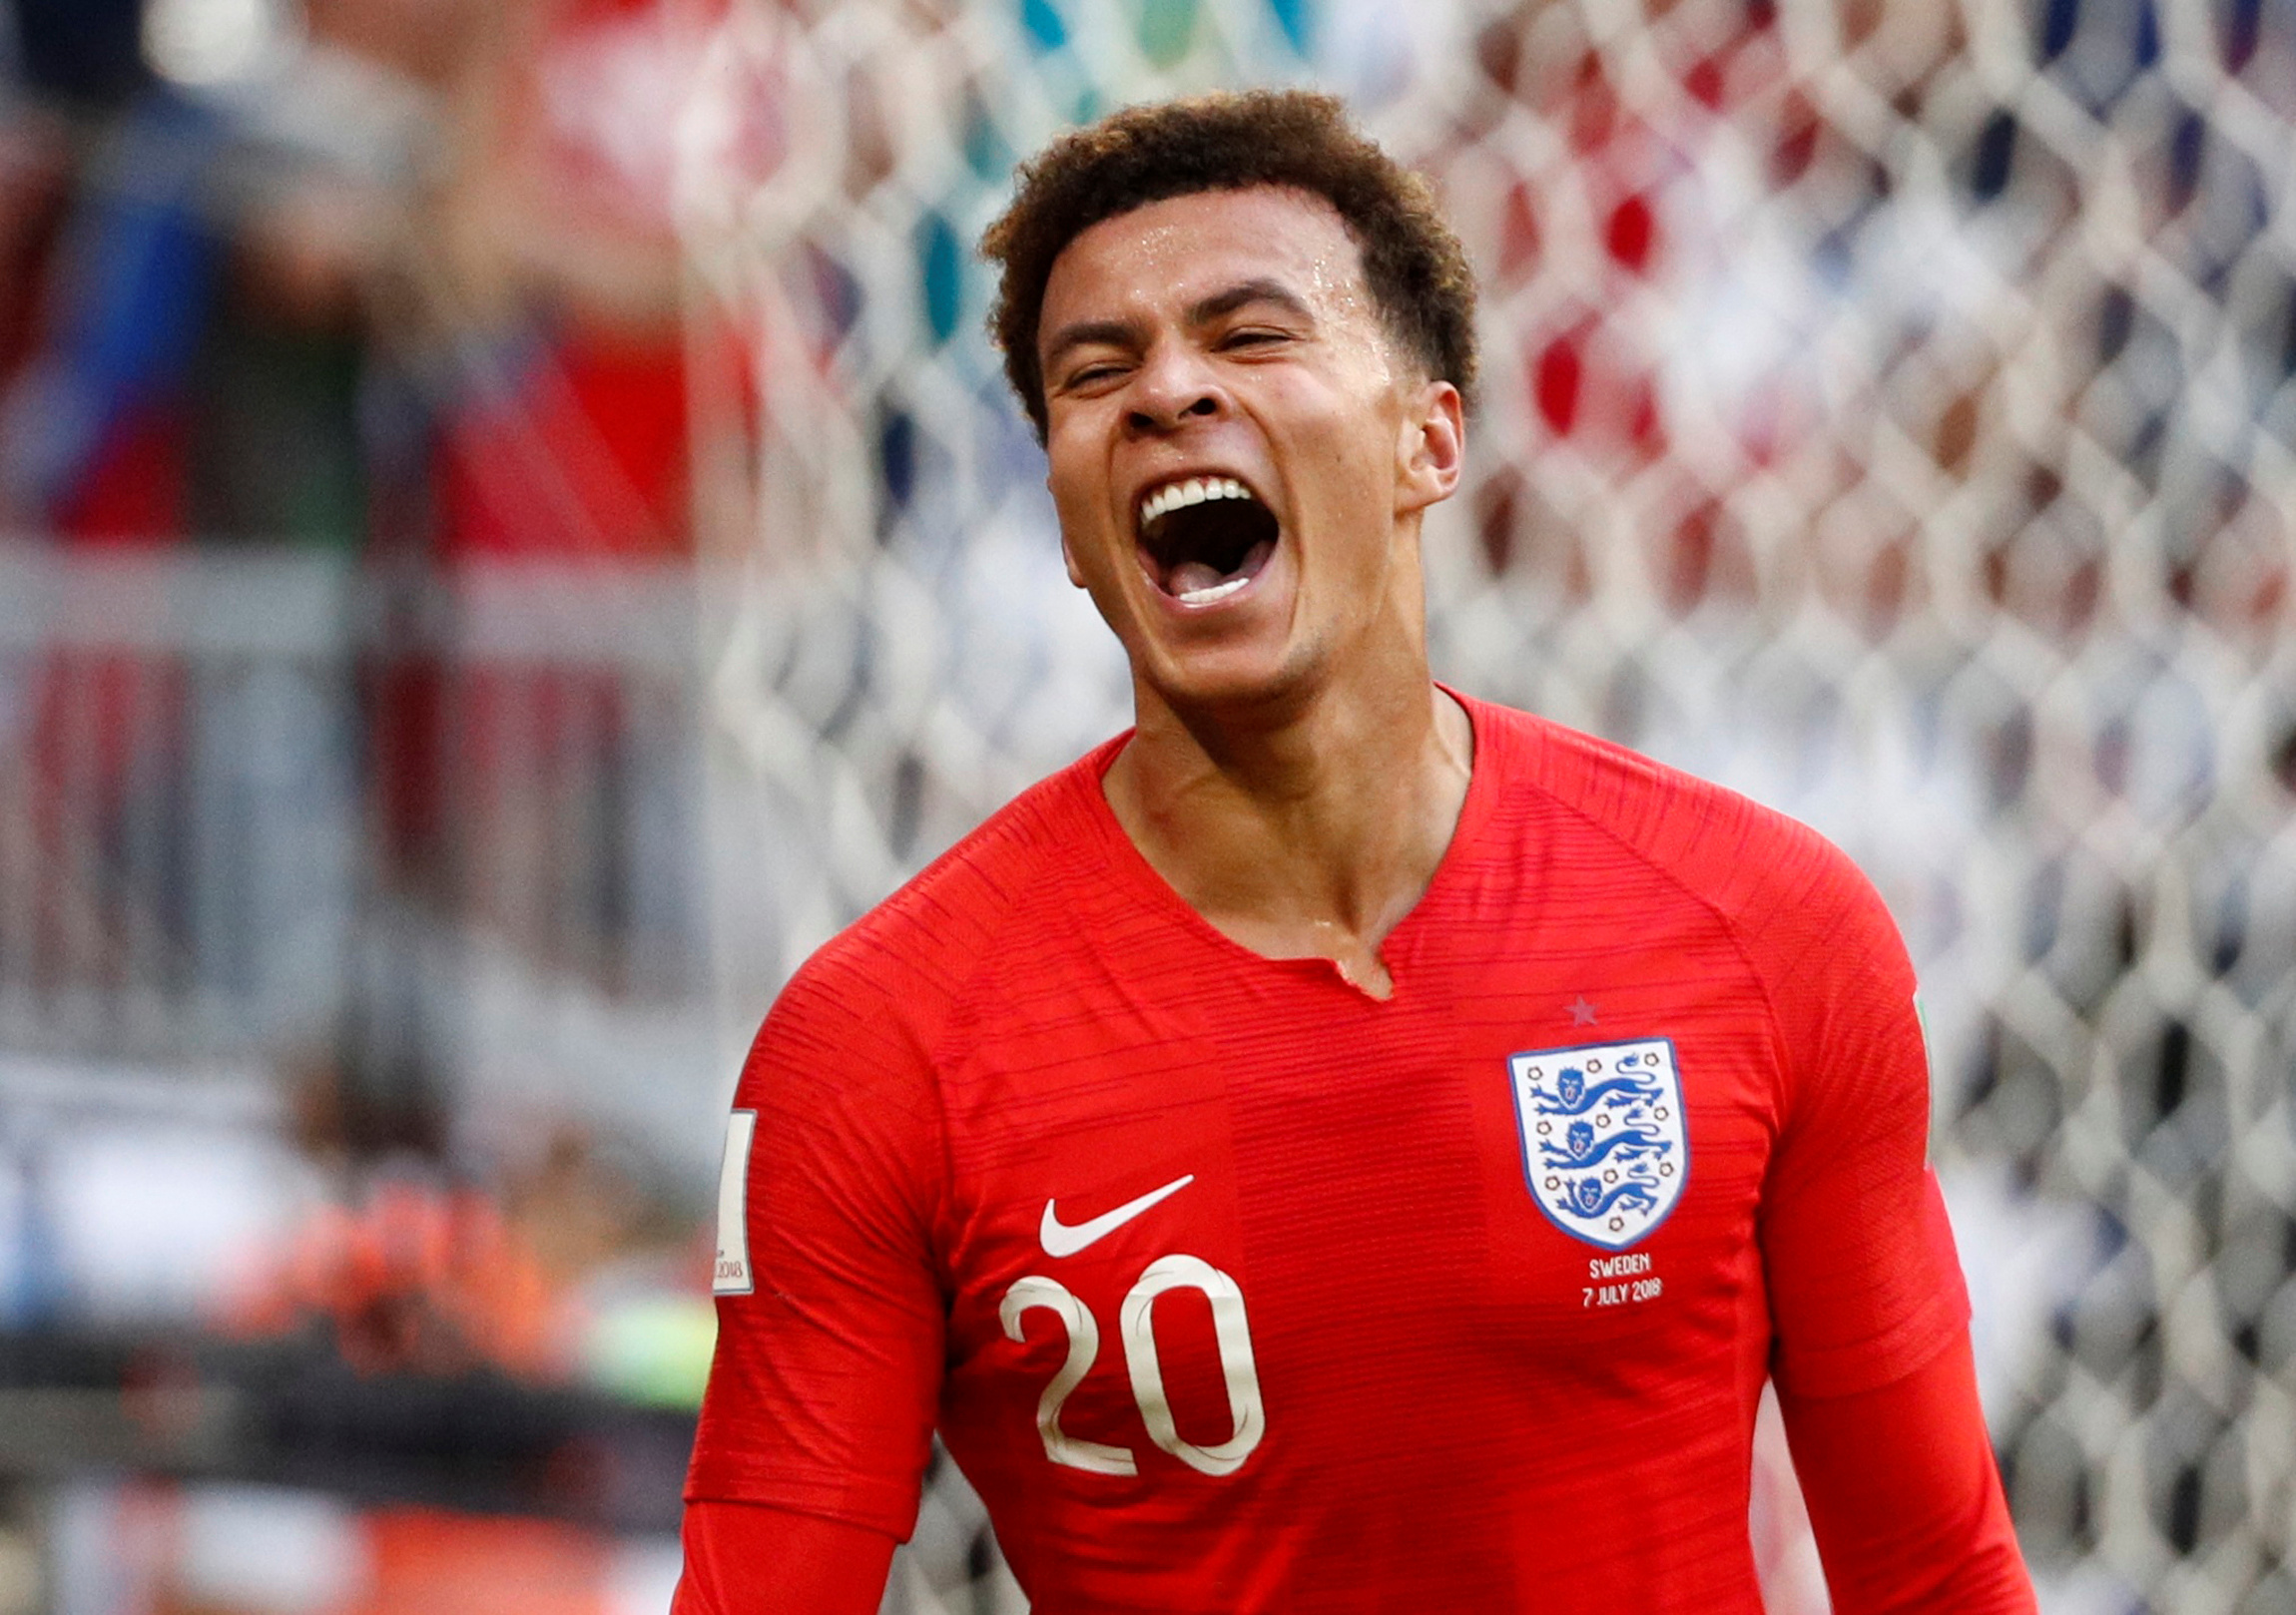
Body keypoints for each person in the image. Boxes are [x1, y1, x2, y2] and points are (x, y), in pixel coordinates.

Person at [675, 90, 2036, 1613]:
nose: (1167, 390)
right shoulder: (878, 1052)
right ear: (1067, 524)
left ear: (1429, 437)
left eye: (1249, 335)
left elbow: (1933, 1571)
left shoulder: (1765, 929)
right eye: (1094, 369)